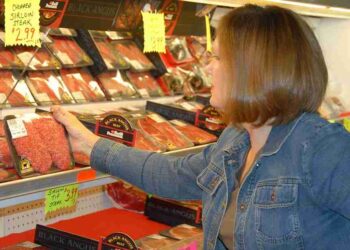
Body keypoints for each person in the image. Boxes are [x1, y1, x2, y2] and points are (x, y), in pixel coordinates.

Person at [52, 4, 350, 250]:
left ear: (255, 68)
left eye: (218, 57)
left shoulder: (324, 149)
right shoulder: (237, 139)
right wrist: (91, 146)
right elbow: (171, 174)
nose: (207, 67)